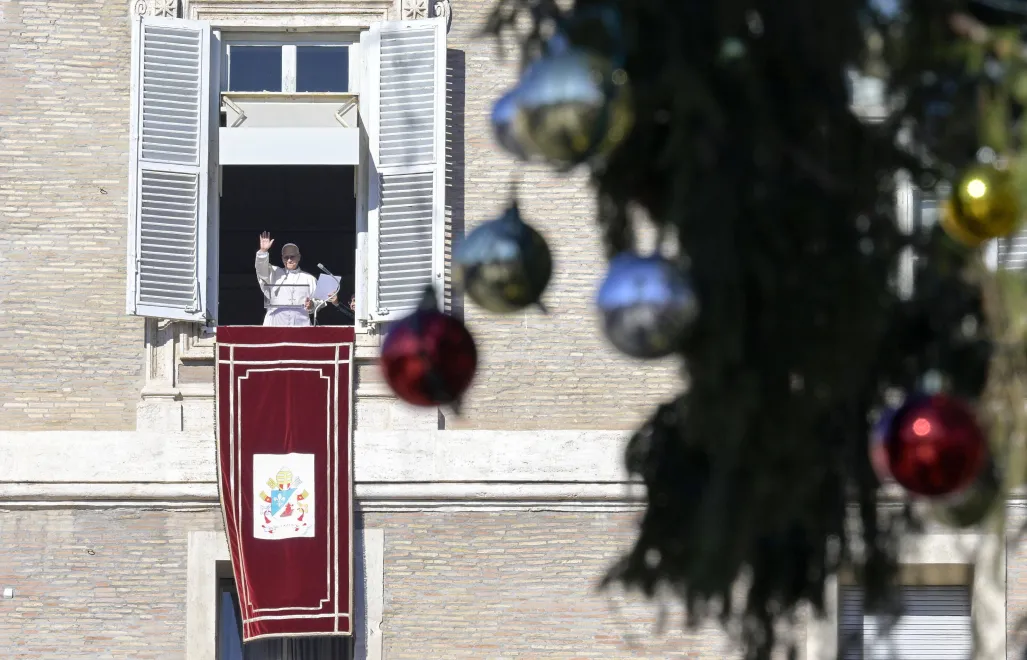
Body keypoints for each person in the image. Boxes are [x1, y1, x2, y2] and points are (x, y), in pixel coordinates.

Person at [255, 233, 333, 327]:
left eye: (292, 256)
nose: (289, 260)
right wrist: (263, 252)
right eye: (286, 257)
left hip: (301, 326)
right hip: (275, 325)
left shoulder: (309, 278)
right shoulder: (274, 273)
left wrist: (312, 304)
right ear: (282, 258)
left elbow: (320, 301)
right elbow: (261, 269)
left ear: (299, 257)